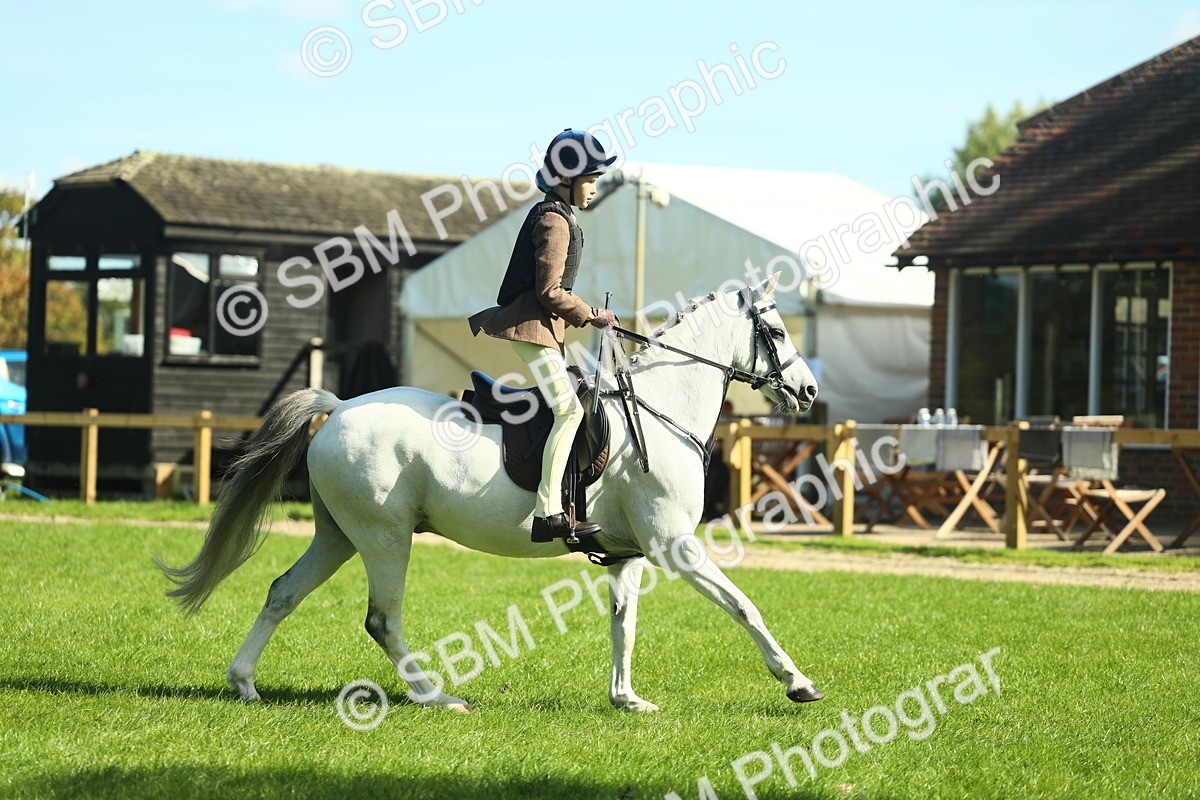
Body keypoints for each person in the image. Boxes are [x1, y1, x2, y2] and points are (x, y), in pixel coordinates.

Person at [468, 129, 618, 542]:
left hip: (541, 329)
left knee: (569, 405)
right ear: (566, 180)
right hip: (531, 328)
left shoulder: (557, 214)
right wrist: (593, 314)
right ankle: (547, 513)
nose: (593, 189)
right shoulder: (554, 219)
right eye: (589, 180)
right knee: (570, 412)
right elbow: (550, 292)